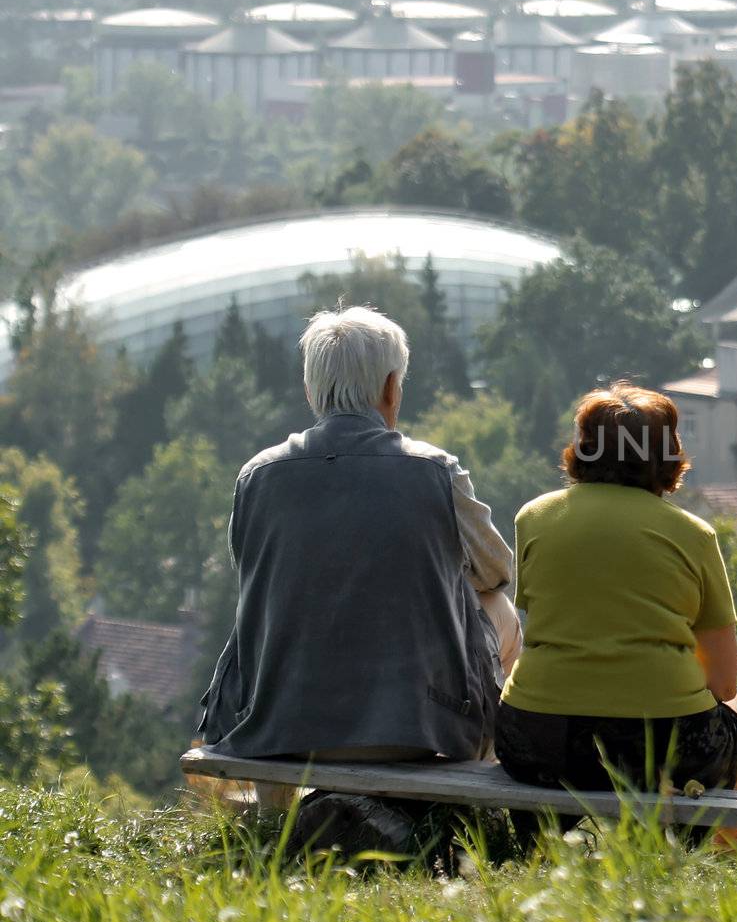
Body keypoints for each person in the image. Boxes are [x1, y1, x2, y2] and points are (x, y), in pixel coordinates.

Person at [198, 306, 522, 841]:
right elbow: (496, 570)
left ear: (311, 391)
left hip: (278, 726)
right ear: (392, 388)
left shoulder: (257, 475)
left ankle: (275, 823)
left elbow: (253, 569)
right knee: (500, 610)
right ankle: (470, 807)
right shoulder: (436, 471)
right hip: (417, 729)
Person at [496, 381, 737, 837]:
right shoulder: (694, 535)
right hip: (659, 748)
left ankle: (534, 849)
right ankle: (726, 849)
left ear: (581, 450)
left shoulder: (532, 518)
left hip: (537, 739)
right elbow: (723, 680)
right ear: (668, 457)